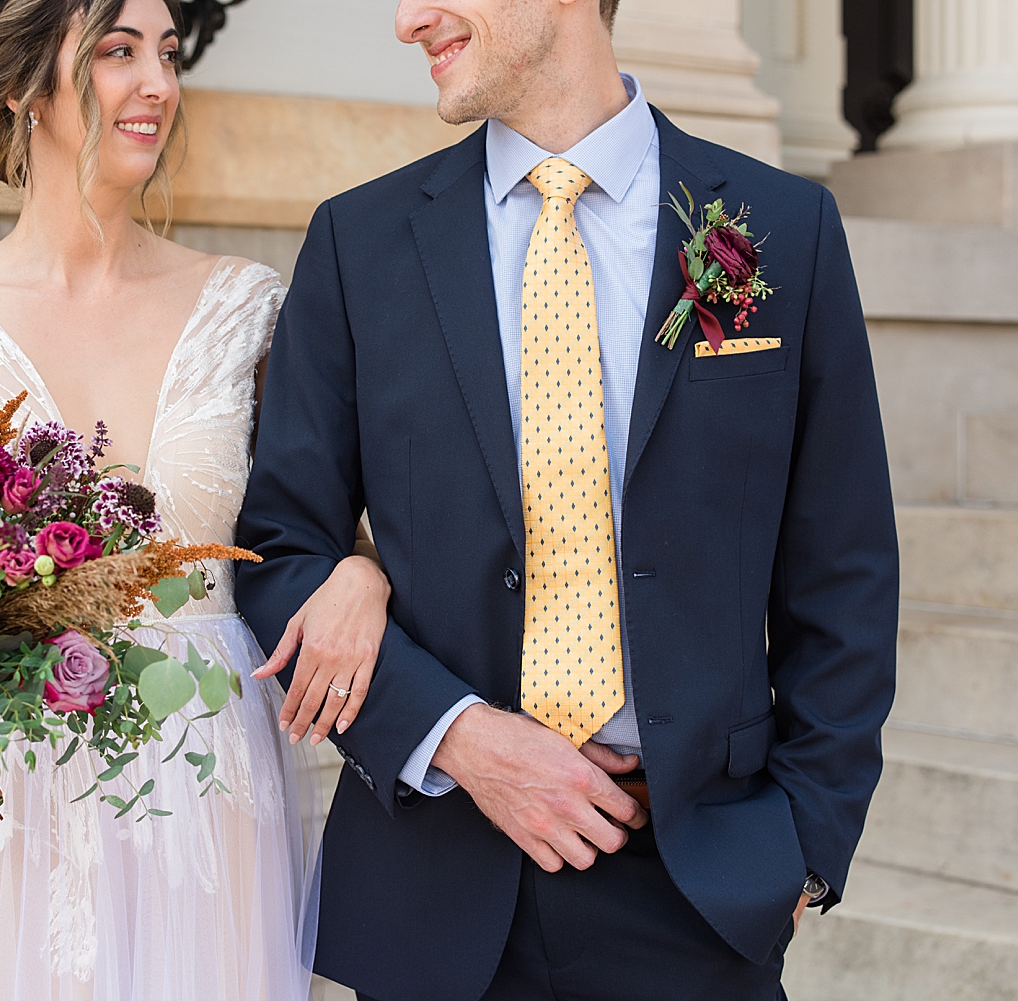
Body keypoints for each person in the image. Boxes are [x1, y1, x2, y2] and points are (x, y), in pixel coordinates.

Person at [234, 0, 898, 999]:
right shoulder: (357, 243)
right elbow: (276, 552)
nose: (410, 21)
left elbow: (842, 567)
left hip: (697, 890)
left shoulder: (776, 228)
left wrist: (803, 843)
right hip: (439, 887)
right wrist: (457, 734)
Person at [0, 2, 390, 998]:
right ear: (21, 87)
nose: (159, 84)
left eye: (169, 55)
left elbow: (325, 531)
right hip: (7, 797)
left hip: (211, 778)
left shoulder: (251, 311)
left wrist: (365, 571)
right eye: (116, 52)